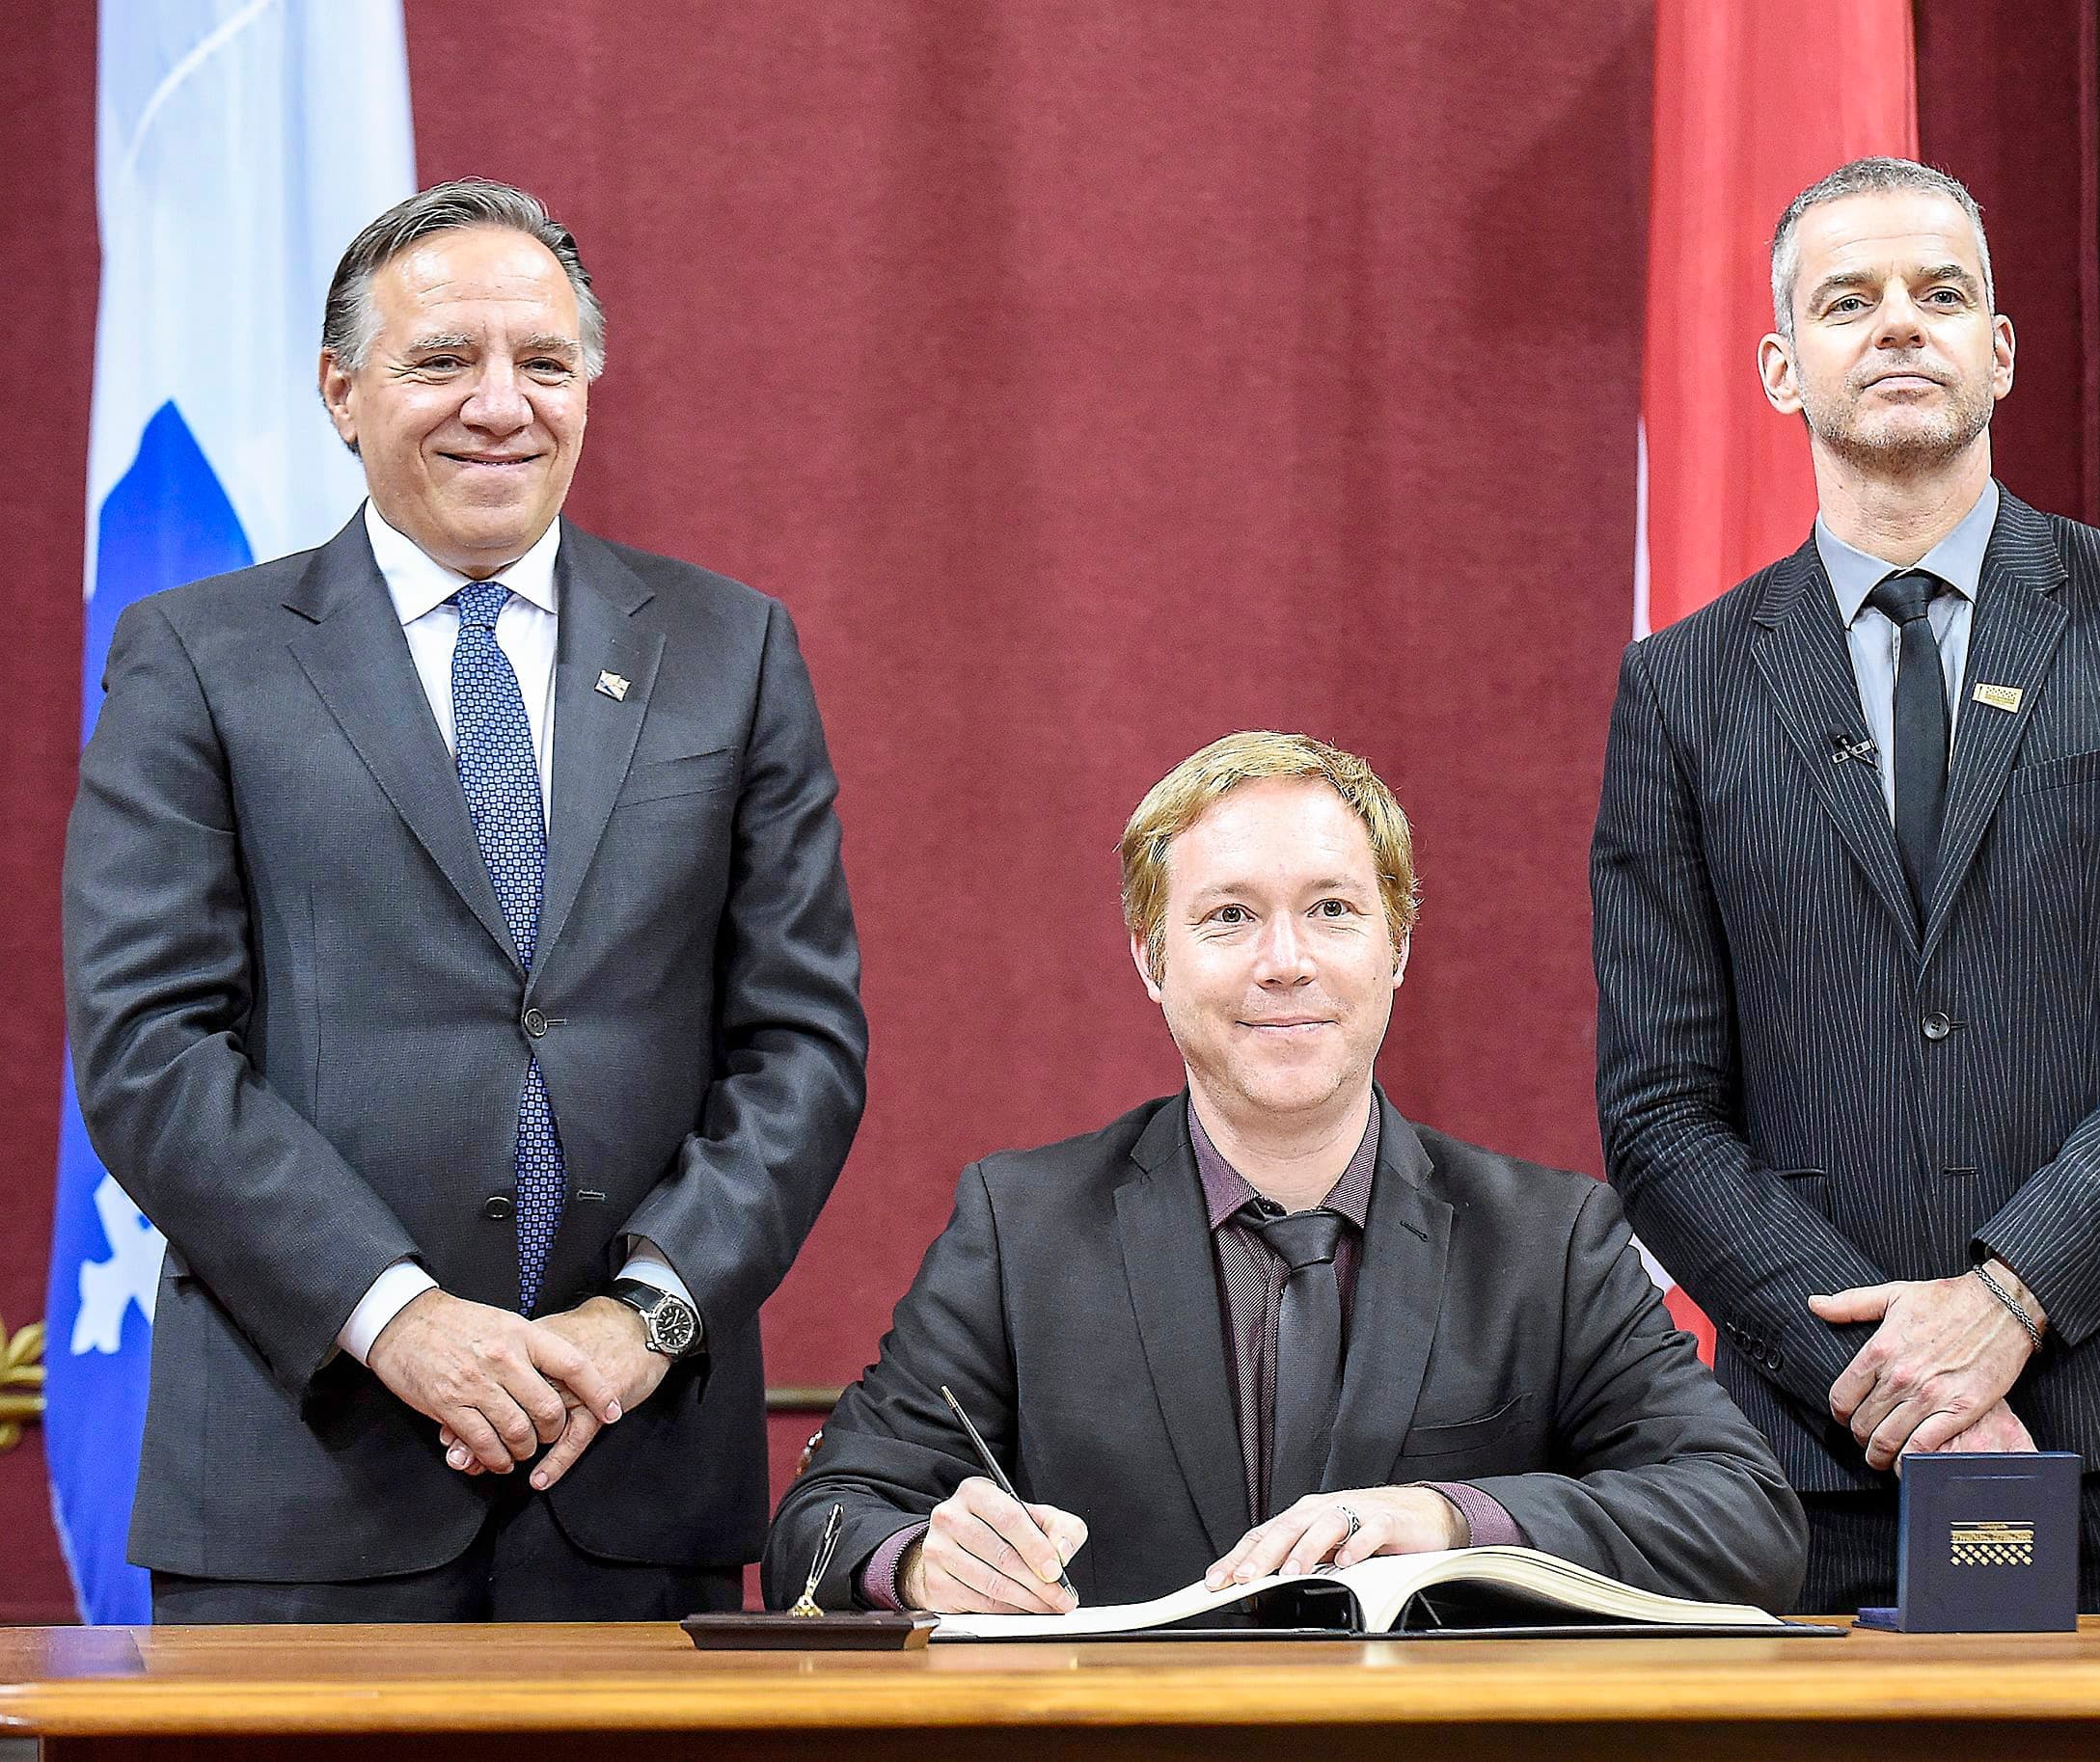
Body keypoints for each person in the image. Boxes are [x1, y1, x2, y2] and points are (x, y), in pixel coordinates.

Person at [63, 178, 869, 1621]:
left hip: (631, 1474)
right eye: (443, 360)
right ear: (341, 391)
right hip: (304, 1486)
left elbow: (801, 1045)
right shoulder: (199, 656)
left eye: (544, 363)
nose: (501, 402)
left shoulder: (730, 649)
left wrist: (646, 1319)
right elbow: (149, 1046)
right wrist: (398, 1316)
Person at [1591, 156, 2100, 1613]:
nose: (1899, 325)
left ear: (2002, 349)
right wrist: (1896, 1374)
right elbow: (1660, 1111)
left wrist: (2006, 1298)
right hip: (1819, 1469)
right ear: (1784, 369)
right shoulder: (1682, 689)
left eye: (1941, 293)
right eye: (1849, 301)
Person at [766, 732, 1804, 1616]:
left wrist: (1450, 1518)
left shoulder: (1549, 1238)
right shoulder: (1020, 1228)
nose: (1285, 961)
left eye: (1333, 910)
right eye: (1227, 916)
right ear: (1148, 957)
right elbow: (821, 1521)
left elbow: (1744, 1519)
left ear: (1397, 945)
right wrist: (913, 1563)